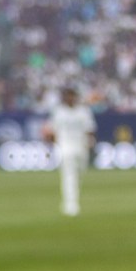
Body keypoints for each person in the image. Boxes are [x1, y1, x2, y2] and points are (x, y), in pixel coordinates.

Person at [42, 87, 95, 217]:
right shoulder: (58, 112)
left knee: (79, 174)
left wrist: (89, 142)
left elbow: (89, 129)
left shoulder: (83, 111)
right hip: (65, 146)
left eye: (72, 96)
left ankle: (73, 199)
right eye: (67, 96)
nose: (70, 98)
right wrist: (51, 146)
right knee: (69, 175)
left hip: (81, 146)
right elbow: (51, 131)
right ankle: (70, 204)